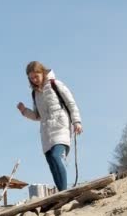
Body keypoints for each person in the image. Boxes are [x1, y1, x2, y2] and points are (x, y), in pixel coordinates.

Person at [17, 61, 83, 191]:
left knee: (56, 156)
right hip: (46, 133)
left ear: (42, 72)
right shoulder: (35, 94)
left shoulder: (55, 84)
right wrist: (24, 111)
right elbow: (37, 116)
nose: (34, 80)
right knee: (52, 163)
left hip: (61, 127)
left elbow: (71, 103)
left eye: (36, 76)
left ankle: (64, 192)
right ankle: (61, 193)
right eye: (31, 78)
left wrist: (77, 122)